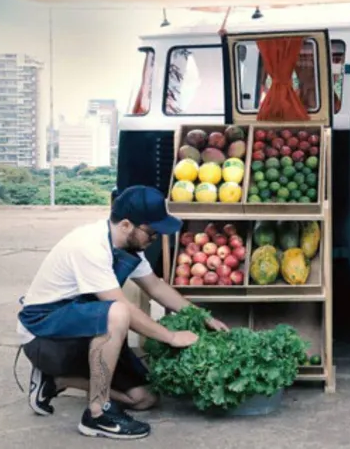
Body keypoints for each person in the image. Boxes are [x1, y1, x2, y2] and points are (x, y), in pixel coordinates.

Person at [15, 185, 229, 439]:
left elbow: (156, 287)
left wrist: (203, 317)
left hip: (84, 329)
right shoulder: (90, 245)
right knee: (117, 312)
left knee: (144, 398)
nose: (155, 238)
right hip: (46, 334)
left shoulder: (129, 248)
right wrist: (171, 337)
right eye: (152, 232)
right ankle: (97, 414)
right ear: (127, 225)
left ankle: (56, 381)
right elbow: (120, 308)